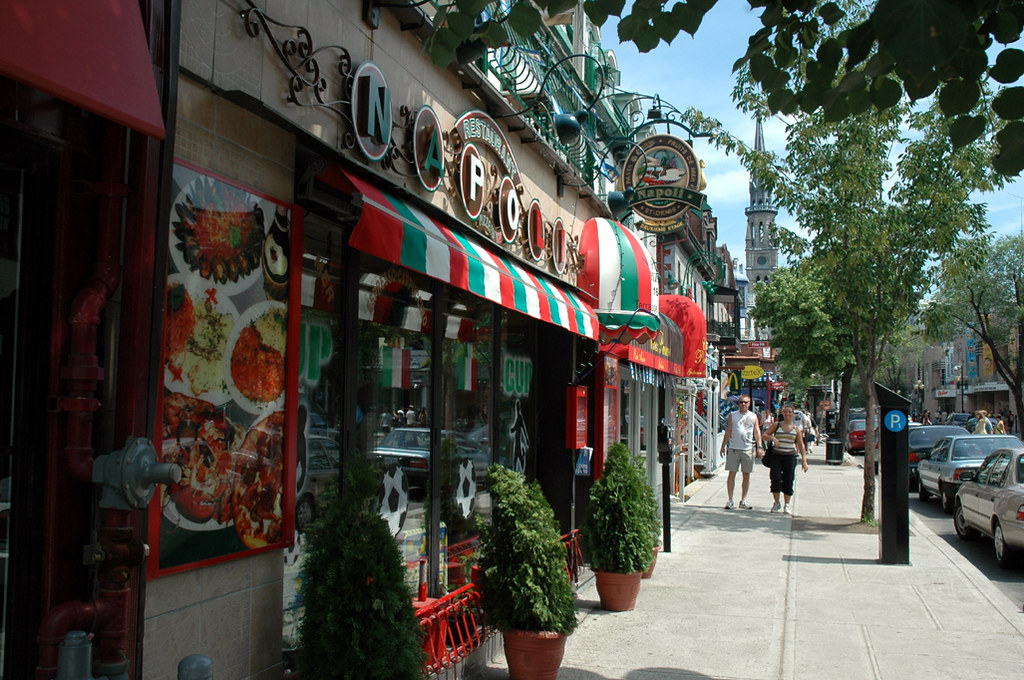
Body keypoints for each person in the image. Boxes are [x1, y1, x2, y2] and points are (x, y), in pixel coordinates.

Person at [719, 396, 765, 509]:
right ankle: (730, 500)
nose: (743, 404)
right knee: (732, 473)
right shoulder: (733, 415)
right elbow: (728, 431)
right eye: (741, 402)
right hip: (734, 448)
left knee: (746, 474)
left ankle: (743, 500)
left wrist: (759, 446)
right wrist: (723, 445)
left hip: (748, 449)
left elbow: (757, 431)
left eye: (745, 402)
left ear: (749, 404)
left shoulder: (753, 416)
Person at [763, 404, 809, 514]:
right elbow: (764, 435)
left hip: (789, 456)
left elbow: (801, 445)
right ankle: (776, 502)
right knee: (776, 478)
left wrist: (804, 461)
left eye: (790, 412)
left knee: (789, 479)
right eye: (786, 412)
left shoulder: (796, 430)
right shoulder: (776, 425)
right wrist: (773, 438)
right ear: (782, 413)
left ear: (793, 414)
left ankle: (787, 504)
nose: (787, 414)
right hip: (776, 456)